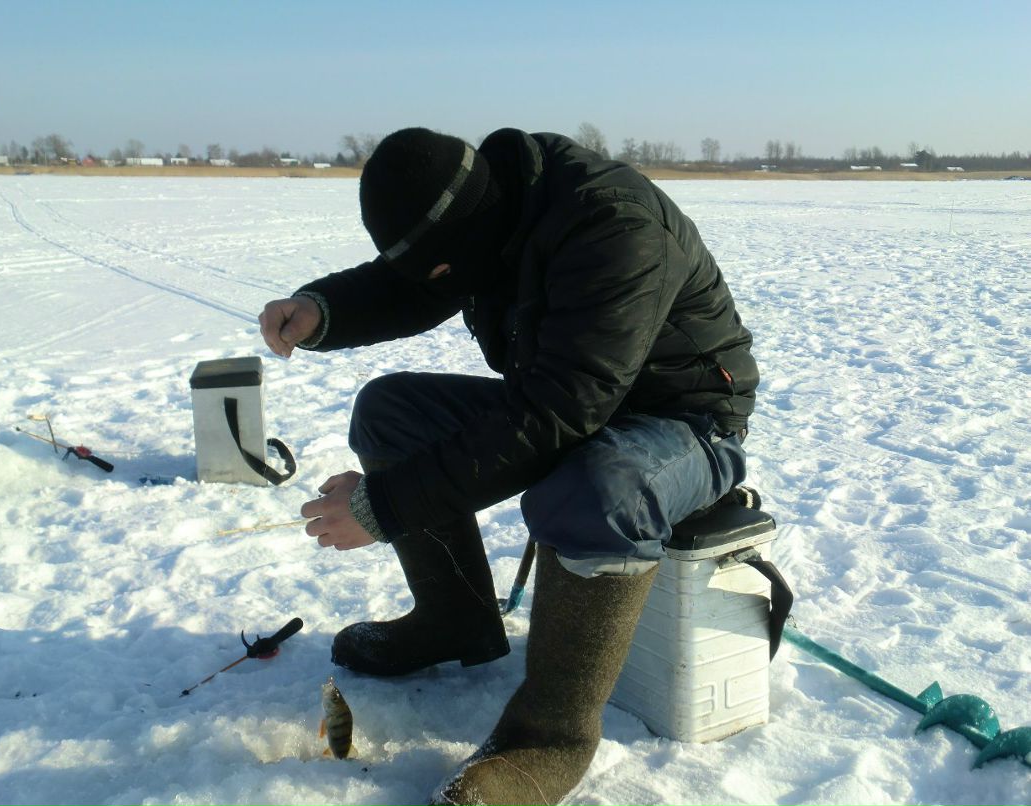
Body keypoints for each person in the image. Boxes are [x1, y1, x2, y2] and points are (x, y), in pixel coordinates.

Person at [258, 127, 758, 806]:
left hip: (687, 422)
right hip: (576, 401)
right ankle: (453, 619)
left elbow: (559, 413)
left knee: (596, 488)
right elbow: (418, 283)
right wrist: (323, 311)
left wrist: (386, 505)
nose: (440, 283)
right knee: (390, 413)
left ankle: (550, 737)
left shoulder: (613, 227)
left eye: (442, 272)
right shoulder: (490, 209)